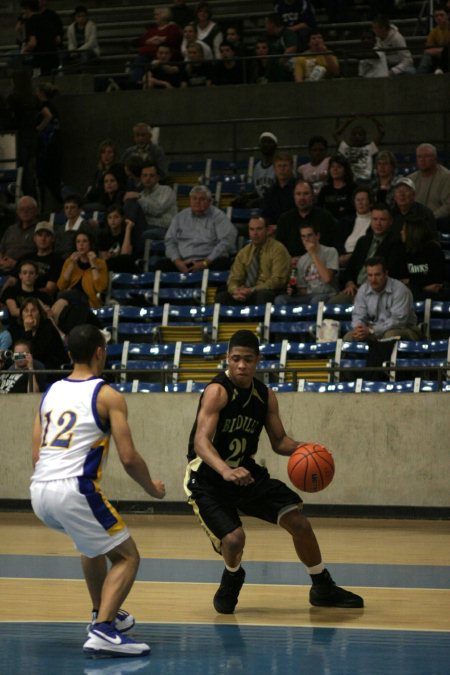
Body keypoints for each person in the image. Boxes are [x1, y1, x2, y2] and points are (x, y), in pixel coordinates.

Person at [184, 329, 364, 616]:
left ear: (258, 361)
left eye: (248, 360)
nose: (241, 365)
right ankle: (232, 576)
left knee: (299, 523)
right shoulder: (217, 391)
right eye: (235, 359)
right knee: (234, 539)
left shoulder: (265, 396)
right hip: (207, 476)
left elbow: (280, 441)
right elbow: (200, 442)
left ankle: (322, 586)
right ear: (227, 359)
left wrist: (308, 449)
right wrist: (225, 470)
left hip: (246, 473)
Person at [30, 323, 165, 656]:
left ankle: (101, 612)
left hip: (39, 491)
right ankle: (103, 630)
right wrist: (153, 489)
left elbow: (37, 454)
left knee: (91, 545)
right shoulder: (107, 395)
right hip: (75, 488)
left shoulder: (49, 393)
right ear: (100, 352)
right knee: (127, 556)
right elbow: (129, 458)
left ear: (69, 354)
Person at [330, 202, 403, 304]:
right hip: (354, 289)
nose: (378, 223)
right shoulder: (363, 241)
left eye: (382, 219)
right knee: (331, 305)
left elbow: (390, 274)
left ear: (390, 221)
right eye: (375, 219)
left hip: (378, 290)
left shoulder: (396, 243)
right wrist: (349, 283)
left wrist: (365, 291)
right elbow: (349, 269)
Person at [215, 216, 291, 305]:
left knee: (262, 296)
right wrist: (236, 291)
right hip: (246, 291)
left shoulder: (278, 249)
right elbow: (234, 278)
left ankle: (260, 319)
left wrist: (252, 290)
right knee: (222, 297)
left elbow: (277, 281)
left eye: (259, 229)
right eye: (252, 229)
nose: (255, 233)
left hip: (269, 290)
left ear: (267, 230)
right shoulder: (243, 252)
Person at [159, 185, 236, 271]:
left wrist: (205, 263)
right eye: (194, 198)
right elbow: (170, 241)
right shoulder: (180, 217)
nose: (197, 202)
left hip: (209, 261)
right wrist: (178, 262)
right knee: (160, 265)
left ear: (210, 201)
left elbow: (226, 242)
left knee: (222, 263)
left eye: (202, 199)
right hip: (186, 262)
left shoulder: (219, 217)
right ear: (190, 200)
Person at [343, 256, 421, 341]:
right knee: (349, 337)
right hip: (373, 329)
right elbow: (358, 315)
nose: (373, 279)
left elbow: (398, 321)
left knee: (389, 336)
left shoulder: (401, 290)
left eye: (377, 275)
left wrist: (371, 330)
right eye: (370, 275)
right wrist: (359, 329)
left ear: (386, 274)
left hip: (404, 329)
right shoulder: (363, 289)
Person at [276, 179, 337, 265]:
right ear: (294, 196)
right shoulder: (284, 219)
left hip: (319, 265)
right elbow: (279, 249)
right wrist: (288, 260)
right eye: (298, 194)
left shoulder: (326, 217)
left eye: (306, 193)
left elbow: (332, 248)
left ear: (313, 196)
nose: (302, 198)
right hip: (292, 266)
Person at [275, 223, 339, 304]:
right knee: (280, 299)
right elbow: (303, 289)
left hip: (327, 294)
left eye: (309, 235)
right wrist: (294, 291)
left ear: (317, 236)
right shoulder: (302, 260)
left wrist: (313, 254)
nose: (306, 239)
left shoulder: (330, 251)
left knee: (316, 301)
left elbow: (327, 278)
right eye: (303, 236)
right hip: (309, 296)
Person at [392, 216, 448, 301]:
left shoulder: (433, 249)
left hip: (432, 295)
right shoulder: (401, 250)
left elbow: (438, 278)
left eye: (404, 230)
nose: (401, 232)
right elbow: (396, 277)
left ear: (412, 232)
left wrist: (411, 281)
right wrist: (422, 287)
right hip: (408, 293)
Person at [55, 229, 108, 313]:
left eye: (85, 241)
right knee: (63, 298)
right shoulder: (69, 261)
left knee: (67, 296)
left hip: (88, 303)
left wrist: (93, 264)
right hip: (69, 302)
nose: (81, 244)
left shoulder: (100, 263)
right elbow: (61, 286)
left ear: (90, 243)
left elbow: (100, 288)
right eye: (78, 242)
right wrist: (71, 265)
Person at [124, 162, 177, 240]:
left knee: (139, 234)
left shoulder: (166, 190)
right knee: (131, 203)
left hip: (165, 229)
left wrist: (139, 197)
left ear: (157, 178)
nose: (148, 178)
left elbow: (157, 210)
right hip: (146, 227)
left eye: (151, 175)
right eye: (145, 176)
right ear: (141, 178)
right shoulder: (141, 193)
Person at [131, 6, 182, 86]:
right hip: (146, 55)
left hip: (162, 55)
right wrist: (148, 41)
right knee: (140, 60)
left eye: (157, 15)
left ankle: (138, 82)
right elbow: (139, 41)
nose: (155, 17)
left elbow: (175, 39)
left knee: (143, 60)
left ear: (164, 15)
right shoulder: (152, 30)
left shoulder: (172, 28)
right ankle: (137, 82)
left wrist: (162, 39)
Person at [2, 260, 52, 339]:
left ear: (36, 275)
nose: (28, 275)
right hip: (17, 328)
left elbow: (48, 313)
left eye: (31, 273)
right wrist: (37, 312)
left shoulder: (42, 296)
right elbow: (13, 311)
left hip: (39, 329)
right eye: (24, 273)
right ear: (20, 275)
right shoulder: (11, 291)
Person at [13, 221, 63, 300]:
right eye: (40, 235)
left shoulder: (58, 260)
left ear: (53, 239)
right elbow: (11, 281)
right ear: (34, 238)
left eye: (47, 236)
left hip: (40, 300)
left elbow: (49, 289)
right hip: (17, 297)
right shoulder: (25, 258)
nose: (43, 239)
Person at [19, 297, 68, 376]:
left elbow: (35, 354)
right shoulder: (20, 329)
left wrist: (28, 330)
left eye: (33, 310)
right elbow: (18, 356)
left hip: (50, 370)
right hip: (31, 369)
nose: (29, 314)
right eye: (26, 311)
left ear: (40, 314)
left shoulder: (47, 328)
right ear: (21, 314)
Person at [316, 154, 356, 249]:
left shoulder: (353, 188)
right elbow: (319, 209)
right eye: (332, 167)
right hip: (328, 227)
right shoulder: (325, 190)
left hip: (347, 227)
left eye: (339, 167)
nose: (335, 169)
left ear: (345, 170)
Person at [409, 143, 450, 232]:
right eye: (419, 157)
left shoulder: (447, 177)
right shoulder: (411, 179)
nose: (422, 160)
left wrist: (429, 218)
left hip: (437, 223)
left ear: (435, 158)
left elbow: (448, 206)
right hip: (414, 223)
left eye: (427, 156)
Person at [35, 82, 63, 210]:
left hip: (47, 147)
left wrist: (38, 129)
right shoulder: (53, 105)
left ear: (40, 93)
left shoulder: (43, 105)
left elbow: (48, 116)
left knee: (47, 178)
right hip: (55, 145)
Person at [334, 115, 385, 184]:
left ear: (365, 137)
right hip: (349, 181)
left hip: (365, 181)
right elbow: (335, 134)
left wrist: (374, 120)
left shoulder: (369, 148)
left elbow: (382, 132)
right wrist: (348, 122)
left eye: (360, 134)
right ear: (350, 137)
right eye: (354, 134)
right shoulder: (346, 148)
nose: (357, 136)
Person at [0, 196, 39, 274]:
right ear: (17, 212)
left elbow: (43, 255)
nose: (25, 211)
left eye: (29, 208)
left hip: (25, 272)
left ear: (36, 211)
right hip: (3, 267)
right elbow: (1, 249)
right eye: (21, 209)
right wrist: (1, 262)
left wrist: (16, 264)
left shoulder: (40, 230)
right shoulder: (11, 229)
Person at [261, 152, 297, 235]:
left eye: (285, 166)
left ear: (291, 167)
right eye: (279, 166)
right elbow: (266, 215)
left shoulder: (299, 189)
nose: (282, 169)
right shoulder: (270, 192)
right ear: (274, 169)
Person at [98, 205, 137, 273]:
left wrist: (128, 229)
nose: (112, 220)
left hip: (127, 267)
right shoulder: (103, 235)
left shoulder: (129, 233)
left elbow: (126, 254)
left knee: (125, 259)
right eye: (110, 218)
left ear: (122, 218)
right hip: (110, 267)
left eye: (116, 217)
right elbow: (104, 260)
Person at [54, 193, 93, 260]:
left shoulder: (86, 226)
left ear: (80, 210)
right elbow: (57, 249)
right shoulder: (60, 229)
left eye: (72, 207)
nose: (69, 210)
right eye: (66, 208)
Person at [340, 187, 373, 267]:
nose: (360, 203)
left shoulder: (375, 221)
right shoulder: (345, 221)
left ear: (370, 202)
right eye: (357, 200)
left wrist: (352, 256)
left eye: (363, 200)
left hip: (364, 258)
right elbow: (338, 242)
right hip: (344, 257)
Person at [84, 139, 122, 204]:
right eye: (103, 152)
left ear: (114, 154)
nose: (106, 155)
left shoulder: (119, 169)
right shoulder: (98, 172)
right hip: (94, 201)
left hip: (107, 203)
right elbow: (92, 191)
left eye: (109, 152)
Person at [417, 4, 450, 74]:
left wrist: (442, 50)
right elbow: (427, 50)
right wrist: (440, 50)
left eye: (441, 15)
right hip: (439, 57)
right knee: (427, 57)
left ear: (448, 15)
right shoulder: (434, 31)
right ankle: (420, 77)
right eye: (436, 16)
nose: (439, 18)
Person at [65, 5, 100, 70]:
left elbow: (91, 43)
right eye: (79, 16)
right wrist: (72, 51)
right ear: (75, 17)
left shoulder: (92, 26)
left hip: (90, 50)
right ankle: (62, 73)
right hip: (76, 50)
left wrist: (78, 51)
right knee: (63, 55)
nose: (81, 18)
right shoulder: (71, 28)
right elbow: (70, 43)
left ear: (86, 17)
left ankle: (83, 74)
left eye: (83, 16)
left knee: (85, 54)